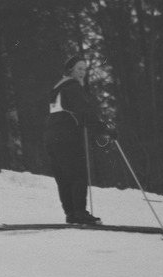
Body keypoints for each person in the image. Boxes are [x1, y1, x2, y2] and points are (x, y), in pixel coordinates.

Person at [43, 55, 116, 224]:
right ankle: (80, 213)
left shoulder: (56, 89)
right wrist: (103, 130)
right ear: (70, 70)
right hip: (67, 137)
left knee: (64, 177)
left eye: (84, 69)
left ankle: (71, 213)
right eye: (79, 69)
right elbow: (84, 112)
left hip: (51, 137)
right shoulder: (72, 87)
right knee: (78, 175)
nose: (83, 72)